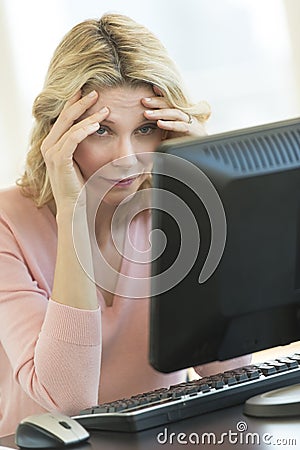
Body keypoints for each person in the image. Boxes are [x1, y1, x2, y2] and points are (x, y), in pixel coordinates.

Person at [0, 13, 250, 437]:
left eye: (147, 129)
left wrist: (204, 186)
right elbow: (70, 403)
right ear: (59, 131)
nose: (127, 157)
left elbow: (226, 372)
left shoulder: (174, 211)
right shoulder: (9, 226)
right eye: (101, 130)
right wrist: (73, 211)